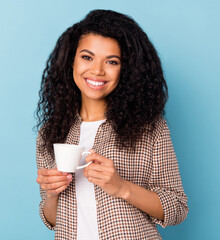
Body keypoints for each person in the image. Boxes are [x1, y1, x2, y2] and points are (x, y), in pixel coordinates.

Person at [35, 9, 188, 240]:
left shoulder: (150, 129)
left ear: (125, 70)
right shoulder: (51, 133)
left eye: (112, 61)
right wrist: (51, 193)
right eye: (87, 57)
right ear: (71, 62)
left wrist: (121, 187)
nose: (97, 70)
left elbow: (177, 209)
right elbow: (53, 220)